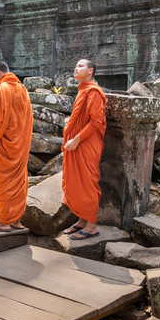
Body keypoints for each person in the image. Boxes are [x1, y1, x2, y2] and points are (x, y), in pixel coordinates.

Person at [0, 60, 34, 232]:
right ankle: (16, 221)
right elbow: (27, 119)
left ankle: (3, 222)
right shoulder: (23, 90)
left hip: (4, 144)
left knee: (2, 182)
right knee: (18, 182)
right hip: (20, 144)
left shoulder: (0, 89)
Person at [62, 59, 107, 240]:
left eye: (80, 66)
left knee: (87, 183)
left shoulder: (94, 92)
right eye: (76, 65)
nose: (75, 67)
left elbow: (95, 122)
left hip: (86, 144)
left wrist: (76, 139)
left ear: (90, 71)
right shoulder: (83, 90)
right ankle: (82, 220)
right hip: (77, 143)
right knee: (76, 182)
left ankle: (91, 226)